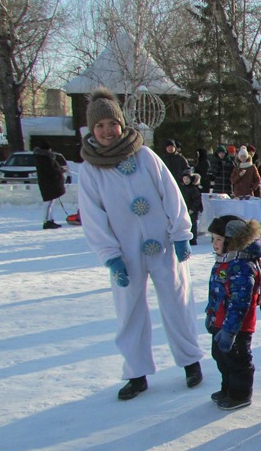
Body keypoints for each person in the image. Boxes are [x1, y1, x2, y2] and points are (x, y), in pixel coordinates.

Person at [77, 88, 203, 400]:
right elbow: (92, 215)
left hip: (161, 243)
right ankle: (136, 371)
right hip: (125, 251)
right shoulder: (91, 169)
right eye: (100, 126)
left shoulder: (145, 155)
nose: (107, 131)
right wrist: (110, 256)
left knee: (177, 301)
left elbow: (170, 194)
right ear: (92, 130)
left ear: (122, 124)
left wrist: (180, 234)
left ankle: (190, 360)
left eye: (112, 124)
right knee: (129, 310)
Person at [204, 215, 261, 410]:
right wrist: (211, 313)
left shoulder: (242, 266)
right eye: (213, 239)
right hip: (220, 321)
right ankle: (228, 388)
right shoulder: (224, 261)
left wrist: (231, 330)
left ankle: (240, 394)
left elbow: (240, 302)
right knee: (221, 356)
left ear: (232, 240)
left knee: (238, 360)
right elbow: (215, 292)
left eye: (219, 239)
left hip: (237, 327)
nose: (214, 244)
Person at [33, 141, 66, 229]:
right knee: (48, 203)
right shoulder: (45, 158)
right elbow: (51, 171)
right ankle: (46, 221)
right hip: (48, 184)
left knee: (50, 203)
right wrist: (60, 170)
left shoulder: (42, 158)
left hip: (48, 183)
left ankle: (50, 220)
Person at [179, 168, 203, 245]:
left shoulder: (193, 189)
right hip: (184, 209)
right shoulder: (181, 188)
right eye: (184, 178)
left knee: (192, 225)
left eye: (187, 179)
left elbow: (197, 200)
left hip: (192, 210)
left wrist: (193, 209)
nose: (186, 180)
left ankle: (193, 239)